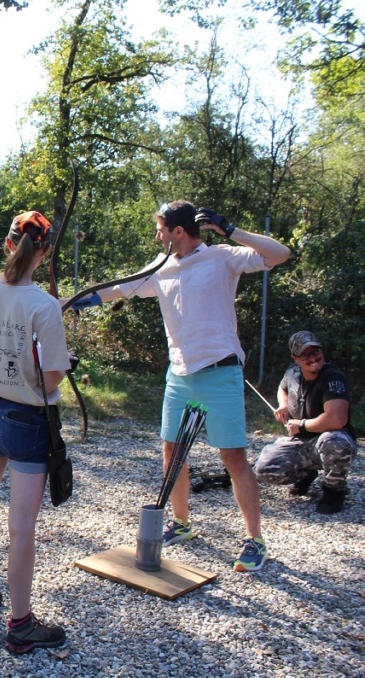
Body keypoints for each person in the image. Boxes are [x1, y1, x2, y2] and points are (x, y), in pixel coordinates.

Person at [69, 201, 290, 572]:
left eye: (160, 229)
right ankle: (182, 522)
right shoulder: (161, 267)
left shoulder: (222, 257)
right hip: (179, 375)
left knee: (233, 457)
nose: (157, 236)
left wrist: (230, 229)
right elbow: (119, 289)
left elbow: (280, 254)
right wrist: (74, 302)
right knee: (172, 452)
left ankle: (255, 540)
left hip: (220, 373)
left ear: (178, 231)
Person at [0, 210, 71, 655]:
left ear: (7, 245)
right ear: (44, 252)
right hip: (27, 420)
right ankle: (20, 625)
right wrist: (56, 362)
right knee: (21, 527)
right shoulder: (43, 305)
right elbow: (53, 379)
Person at [254, 331, 357, 514]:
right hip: (299, 441)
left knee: (336, 442)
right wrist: (283, 405)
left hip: (328, 438)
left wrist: (301, 425)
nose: (313, 358)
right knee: (263, 470)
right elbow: (282, 387)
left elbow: (337, 419)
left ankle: (334, 491)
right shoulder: (292, 372)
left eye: (315, 352)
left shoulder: (332, 377)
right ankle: (307, 473)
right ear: (295, 358)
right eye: (305, 355)